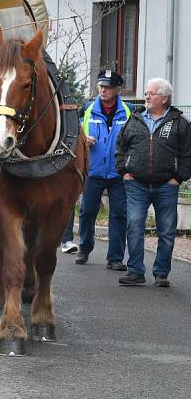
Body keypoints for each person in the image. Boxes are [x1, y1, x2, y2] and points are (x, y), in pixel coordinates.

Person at [115, 78, 191, 287]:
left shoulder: (180, 123)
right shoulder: (135, 118)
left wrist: (178, 178)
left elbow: (188, 154)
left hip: (167, 185)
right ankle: (135, 271)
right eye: (147, 93)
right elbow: (120, 147)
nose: (146, 96)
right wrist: (124, 172)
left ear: (164, 98)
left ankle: (161, 274)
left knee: (166, 231)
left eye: (151, 93)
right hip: (136, 184)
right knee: (134, 225)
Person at [73, 70, 131, 269]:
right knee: (87, 211)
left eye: (107, 87)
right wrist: (83, 140)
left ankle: (115, 258)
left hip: (119, 172)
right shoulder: (87, 109)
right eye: (101, 86)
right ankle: (84, 248)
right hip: (94, 170)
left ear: (117, 90)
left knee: (119, 214)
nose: (103, 90)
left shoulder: (129, 111)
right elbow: (75, 133)